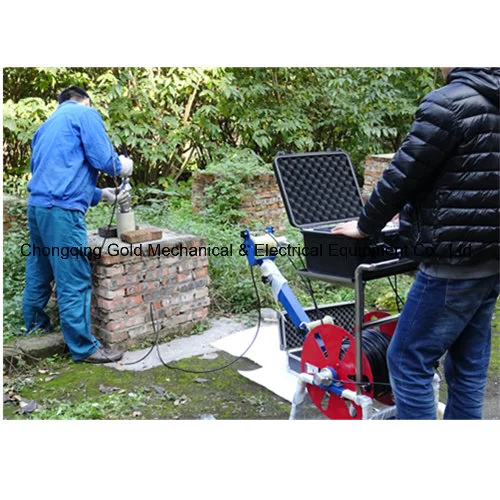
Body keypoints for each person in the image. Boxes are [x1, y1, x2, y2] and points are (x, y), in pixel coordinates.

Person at [332, 67, 500, 419]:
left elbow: (403, 175)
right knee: (468, 364)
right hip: (491, 258)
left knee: (407, 359)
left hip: (450, 263)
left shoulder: (448, 103)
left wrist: (365, 226)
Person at [22, 86, 134, 363]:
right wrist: (122, 166)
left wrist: (102, 194)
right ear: (85, 100)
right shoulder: (84, 114)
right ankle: (84, 348)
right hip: (62, 214)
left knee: (40, 268)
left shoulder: (46, 127)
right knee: (73, 278)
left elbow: (58, 174)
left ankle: (35, 328)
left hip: (38, 209)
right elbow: (104, 160)